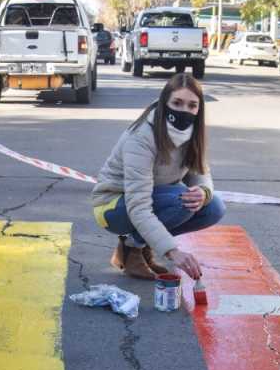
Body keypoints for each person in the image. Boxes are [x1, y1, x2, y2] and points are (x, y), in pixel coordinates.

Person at [91, 73, 225, 280]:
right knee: (181, 201)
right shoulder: (142, 137)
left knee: (213, 207)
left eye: (192, 105)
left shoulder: (192, 134)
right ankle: (131, 249)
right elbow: (139, 206)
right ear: (164, 103)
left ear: (199, 109)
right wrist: (172, 251)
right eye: (177, 103)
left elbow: (201, 174)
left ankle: (140, 245)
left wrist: (203, 192)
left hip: (153, 198)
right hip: (113, 206)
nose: (184, 111)